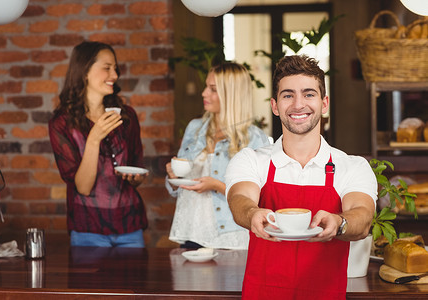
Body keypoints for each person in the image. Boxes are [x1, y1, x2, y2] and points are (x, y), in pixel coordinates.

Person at [225, 55, 377, 299]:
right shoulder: (251, 160)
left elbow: (362, 216)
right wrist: (252, 213)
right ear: (275, 106)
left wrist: (339, 223)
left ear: (324, 103)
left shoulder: (352, 166)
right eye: (288, 95)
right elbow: (240, 198)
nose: (298, 104)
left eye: (308, 94)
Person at [49, 41, 148, 247]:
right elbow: (83, 187)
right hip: (88, 229)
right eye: (107, 68)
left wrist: (136, 178)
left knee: (135, 280)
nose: (115, 75)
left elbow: (136, 171)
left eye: (115, 68)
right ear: (84, 71)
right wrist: (94, 139)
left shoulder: (126, 116)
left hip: (130, 224)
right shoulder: (61, 123)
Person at [165, 62, 271, 250]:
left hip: (231, 236)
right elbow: (179, 183)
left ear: (231, 94)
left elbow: (263, 197)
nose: (204, 93)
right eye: (207, 86)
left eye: (212, 89)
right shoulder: (195, 128)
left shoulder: (255, 139)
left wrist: (216, 185)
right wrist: (174, 176)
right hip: (192, 231)